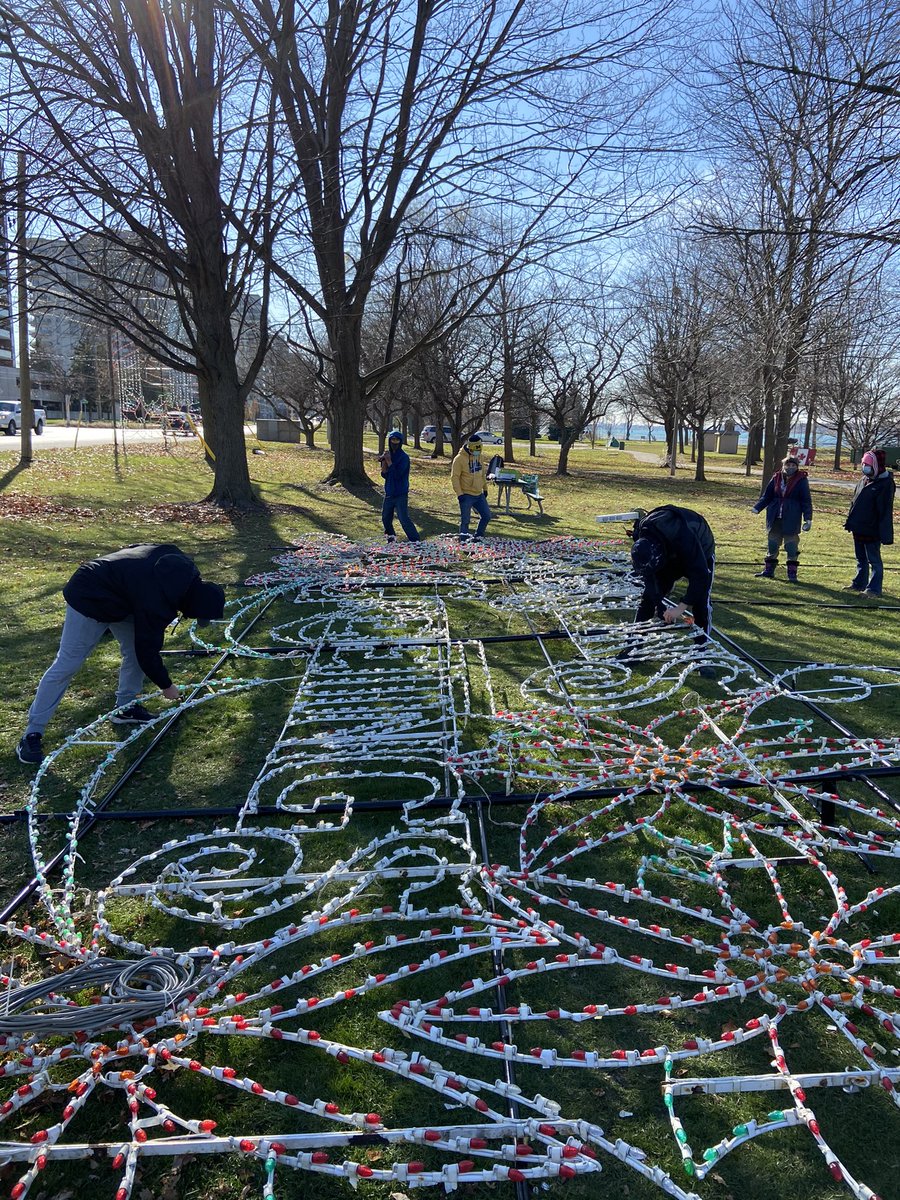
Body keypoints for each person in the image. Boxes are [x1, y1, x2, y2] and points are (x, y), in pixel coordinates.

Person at [17, 543, 226, 765]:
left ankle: (125, 708)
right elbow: (148, 649)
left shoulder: (181, 570)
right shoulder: (157, 601)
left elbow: (142, 547)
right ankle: (32, 734)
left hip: (125, 598)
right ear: (193, 605)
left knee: (134, 653)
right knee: (68, 664)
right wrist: (167, 686)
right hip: (89, 594)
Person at [629, 505, 717, 676]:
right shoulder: (642, 535)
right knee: (647, 599)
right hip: (667, 551)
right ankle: (633, 648)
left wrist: (680, 608)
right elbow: (650, 578)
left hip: (701, 550)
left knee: (701, 604)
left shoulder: (684, 539)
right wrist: (659, 605)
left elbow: (701, 577)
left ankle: (701, 655)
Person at [751, 454, 813, 582]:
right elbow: (767, 496)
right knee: (772, 544)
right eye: (788, 465)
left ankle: (792, 574)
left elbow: (806, 500)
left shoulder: (801, 480)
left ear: (796, 467)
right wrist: (758, 507)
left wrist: (808, 519)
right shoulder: (776, 478)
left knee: (791, 546)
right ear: (783, 465)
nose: (790, 467)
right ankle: (769, 571)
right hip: (775, 517)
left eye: (793, 465)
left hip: (792, 517)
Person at [844, 449, 895, 596]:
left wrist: (884, 533)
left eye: (868, 464)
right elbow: (855, 502)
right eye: (864, 464)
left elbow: (884, 510)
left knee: (874, 560)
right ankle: (859, 583)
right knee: (860, 558)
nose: (865, 467)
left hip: (872, 529)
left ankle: (873, 589)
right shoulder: (863, 480)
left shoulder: (885, 484)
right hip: (858, 527)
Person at [379, 430, 420, 542]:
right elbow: (385, 475)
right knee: (386, 519)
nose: (394, 442)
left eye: (397, 440)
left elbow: (397, 475)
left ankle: (415, 541)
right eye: (392, 440)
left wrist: (389, 461)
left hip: (400, 493)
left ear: (400, 442)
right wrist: (383, 462)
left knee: (403, 519)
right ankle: (391, 539)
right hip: (389, 492)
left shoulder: (404, 457)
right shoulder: (389, 455)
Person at [451, 432, 492, 540]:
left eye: (479, 450)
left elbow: (482, 474)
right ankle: (463, 542)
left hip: (479, 494)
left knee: (487, 516)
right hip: (466, 495)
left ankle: (478, 536)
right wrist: (460, 494)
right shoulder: (459, 459)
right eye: (475, 450)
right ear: (470, 448)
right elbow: (454, 477)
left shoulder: (480, 457)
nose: (477, 452)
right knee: (465, 521)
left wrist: (485, 488)